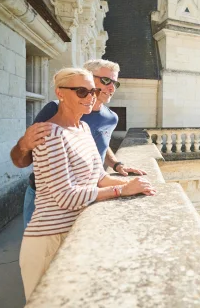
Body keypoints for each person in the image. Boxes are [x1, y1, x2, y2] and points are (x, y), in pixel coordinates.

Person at [19, 68, 156, 300]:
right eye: (82, 91)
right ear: (60, 93)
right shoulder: (50, 133)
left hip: (73, 233)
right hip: (49, 239)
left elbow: (98, 177)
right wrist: (121, 190)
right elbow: (65, 196)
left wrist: (131, 181)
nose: (91, 96)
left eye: (93, 91)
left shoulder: (82, 129)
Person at [10, 59, 146, 228]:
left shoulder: (111, 118)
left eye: (115, 83)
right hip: (48, 199)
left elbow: (101, 143)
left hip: (93, 194)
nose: (111, 88)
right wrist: (23, 145)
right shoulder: (54, 110)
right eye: (106, 81)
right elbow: (22, 160)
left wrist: (117, 165)